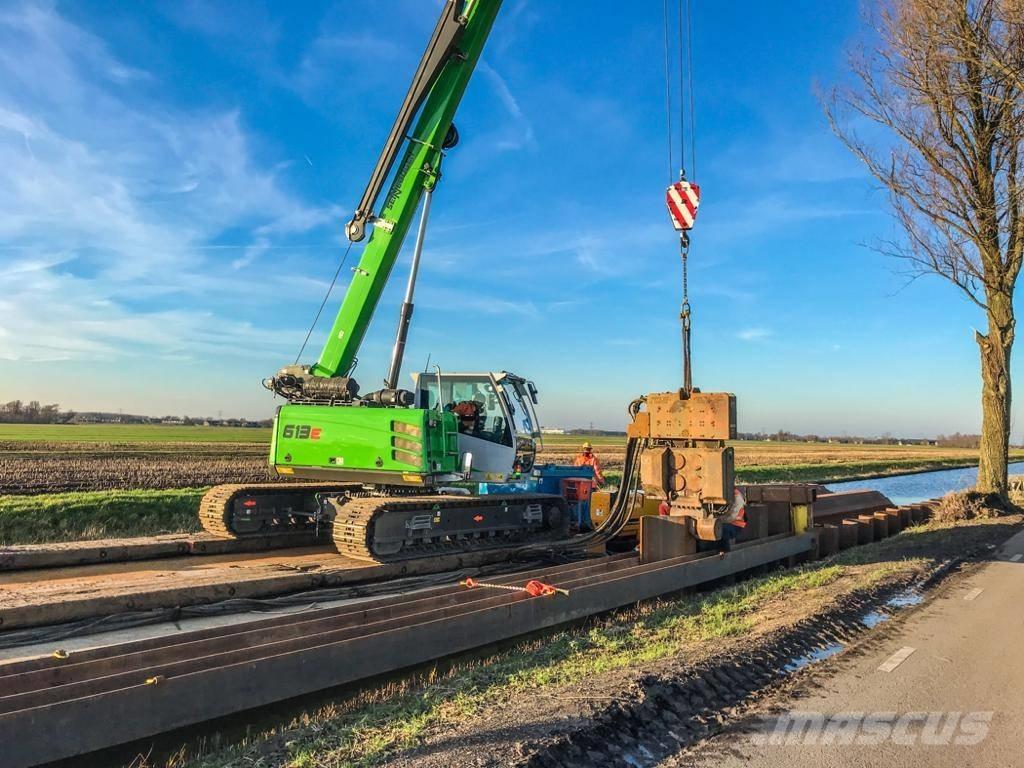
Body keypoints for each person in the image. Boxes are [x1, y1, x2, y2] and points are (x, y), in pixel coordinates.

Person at [718, 488, 748, 556]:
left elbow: (732, 517)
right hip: (726, 521)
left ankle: (725, 552)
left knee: (723, 530)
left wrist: (717, 520)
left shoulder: (737, 497)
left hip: (736, 525)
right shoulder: (720, 493)